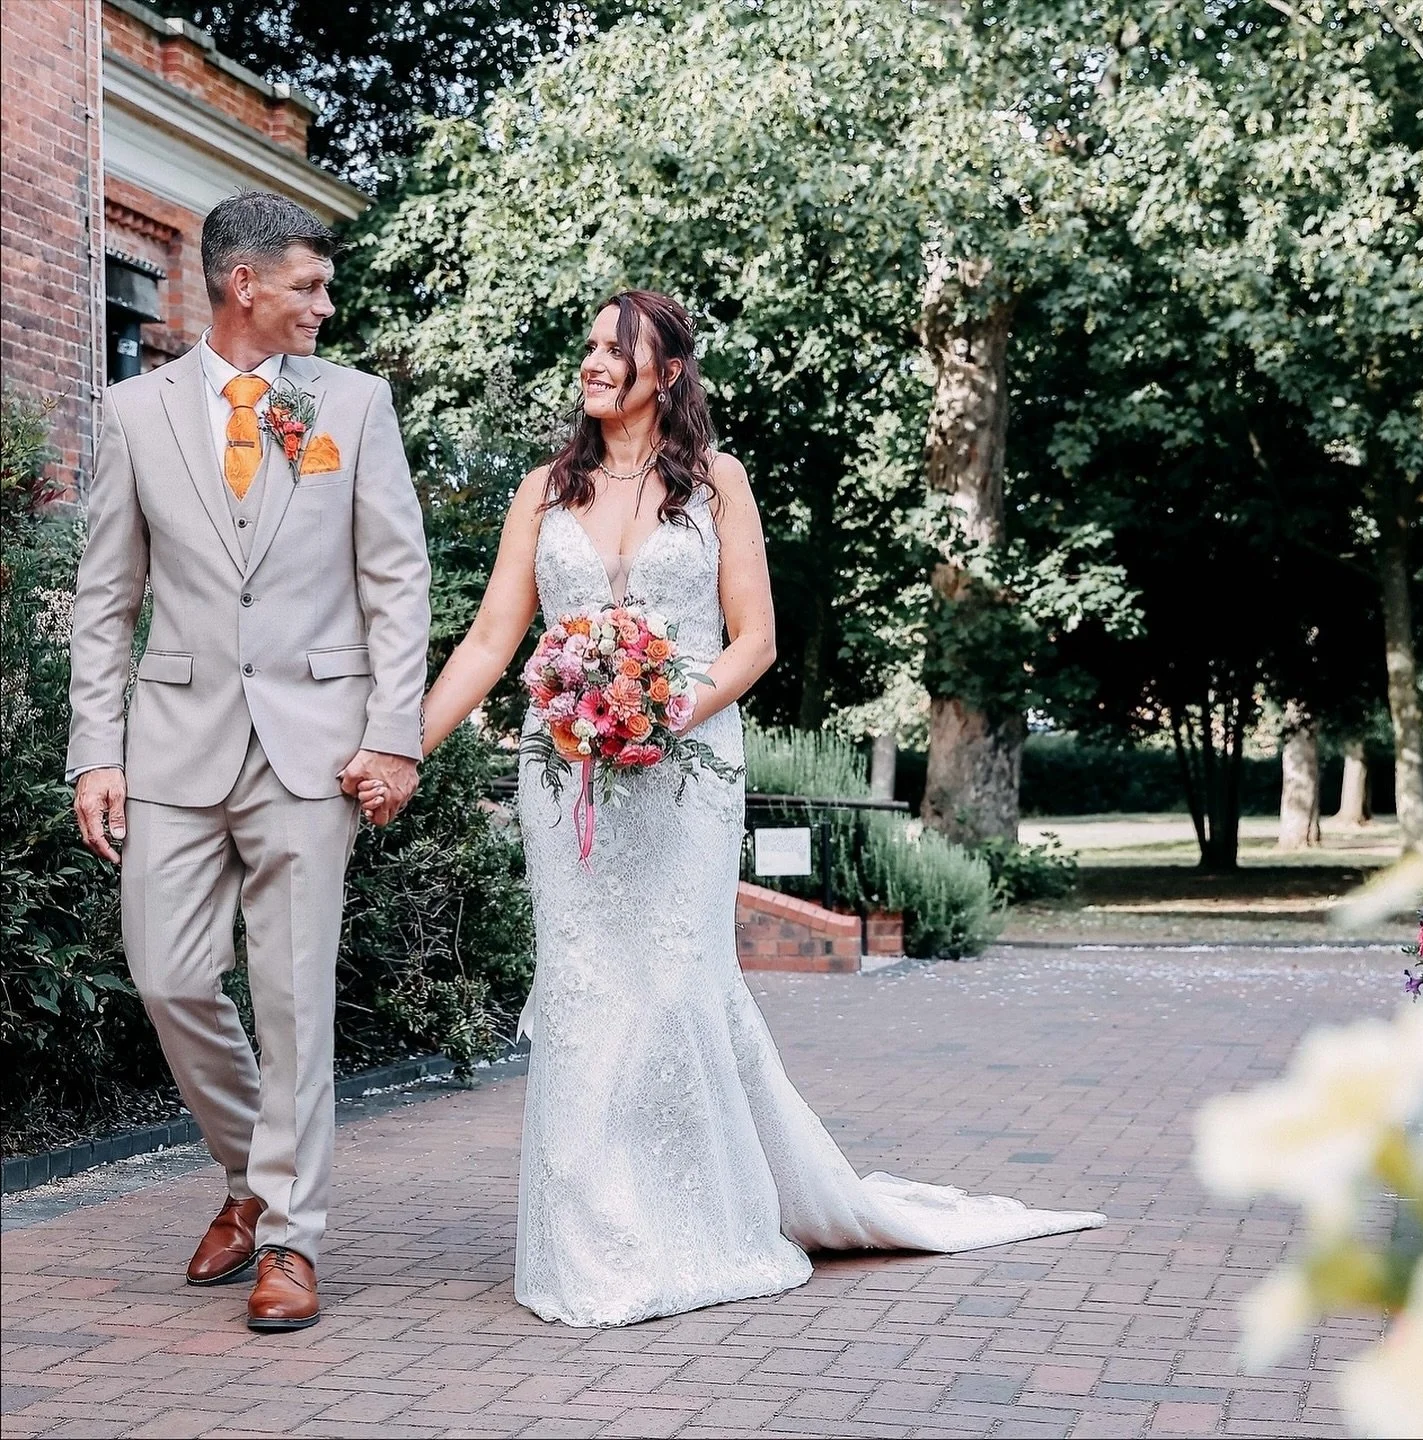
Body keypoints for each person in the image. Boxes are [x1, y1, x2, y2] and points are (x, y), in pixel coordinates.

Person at [407, 289, 1104, 1329]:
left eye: (616, 349)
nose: (593, 363)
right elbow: (488, 640)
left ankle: (705, 1223)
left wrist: (658, 710)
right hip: (571, 781)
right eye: (589, 347)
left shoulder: (717, 486)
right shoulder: (540, 493)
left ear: (669, 372)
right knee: (587, 993)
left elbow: (755, 640)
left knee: (675, 989)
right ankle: (596, 1241)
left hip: (684, 771)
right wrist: (401, 746)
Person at [67, 190, 431, 1332]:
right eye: (310, 286)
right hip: (171, 747)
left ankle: (288, 1240)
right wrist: (94, 750)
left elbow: (397, 578)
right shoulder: (134, 413)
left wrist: (392, 733)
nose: (327, 305)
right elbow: (104, 600)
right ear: (244, 286)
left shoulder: (355, 407)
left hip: (313, 751)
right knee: (169, 976)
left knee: (292, 1001)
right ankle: (246, 1172)